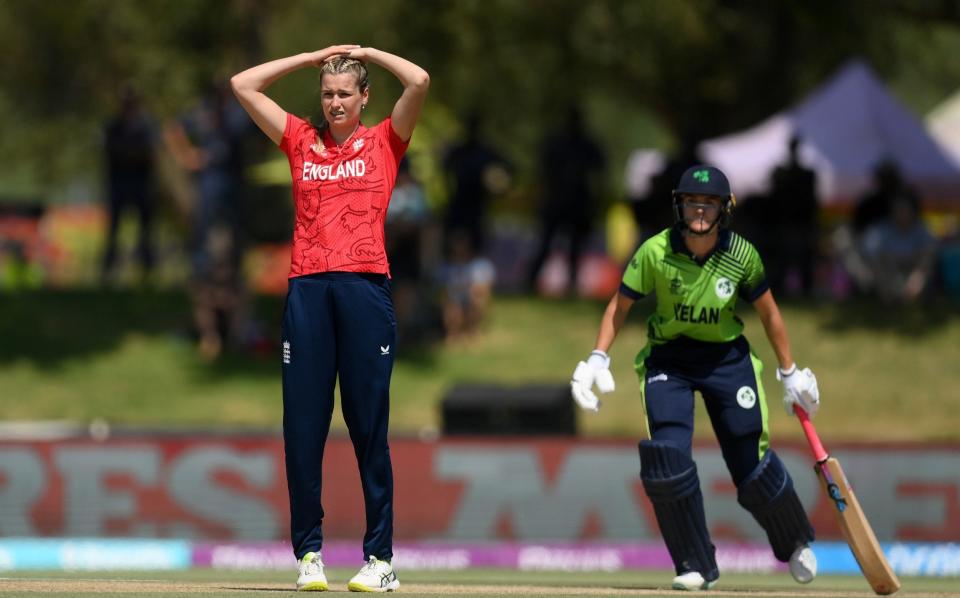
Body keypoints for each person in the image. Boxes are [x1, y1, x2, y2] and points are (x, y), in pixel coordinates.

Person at [231, 45, 429, 592]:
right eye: (328, 93)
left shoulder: (386, 140)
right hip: (308, 290)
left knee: (368, 426)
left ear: (364, 97)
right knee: (303, 427)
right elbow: (243, 85)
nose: (336, 102)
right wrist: (313, 57)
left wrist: (366, 53)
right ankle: (309, 555)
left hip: (365, 287)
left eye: (345, 93)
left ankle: (380, 559)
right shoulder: (300, 140)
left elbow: (419, 80)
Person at [570, 165, 820, 591]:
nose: (699, 211)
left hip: (727, 359)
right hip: (670, 360)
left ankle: (795, 541)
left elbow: (769, 313)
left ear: (725, 209)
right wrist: (597, 358)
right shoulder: (655, 251)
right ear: (678, 206)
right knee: (666, 459)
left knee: (749, 463)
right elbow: (620, 304)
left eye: (708, 203)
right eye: (690, 202)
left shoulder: (741, 254)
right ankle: (695, 563)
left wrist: (789, 372)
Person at [526, 106, 606, 294]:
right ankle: (530, 282)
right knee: (546, 245)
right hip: (557, 201)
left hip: (577, 203)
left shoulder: (586, 146)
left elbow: (600, 173)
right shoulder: (558, 145)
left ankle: (571, 284)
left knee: (575, 250)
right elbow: (543, 172)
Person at [101, 87, 157, 285]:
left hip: (140, 183)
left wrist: (129, 153)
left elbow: (149, 152)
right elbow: (112, 151)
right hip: (119, 183)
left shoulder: (145, 127)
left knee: (145, 231)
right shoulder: (113, 127)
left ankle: (147, 271)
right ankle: (108, 272)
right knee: (114, 229)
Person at [861, 193, 937, 305]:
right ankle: (889, 295)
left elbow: (931, 248)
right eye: (899, 210)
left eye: (906, 209)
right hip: (889, 271)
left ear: (913, 211)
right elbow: (870, 251)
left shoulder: (921, 228)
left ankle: (912, 291)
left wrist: (918, 275)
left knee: (928, 255)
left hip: (914, 270)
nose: (902, 213)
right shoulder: (881, 228)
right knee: (879, 261)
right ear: (892, 212)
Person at [767, 135, 819, 297]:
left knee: (803, 260)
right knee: (784, 259)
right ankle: (780, 288)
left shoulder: (805, 174)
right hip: (787, 223)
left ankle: (804, 289)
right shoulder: (784, 174)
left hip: (800, 222)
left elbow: (811, 200)